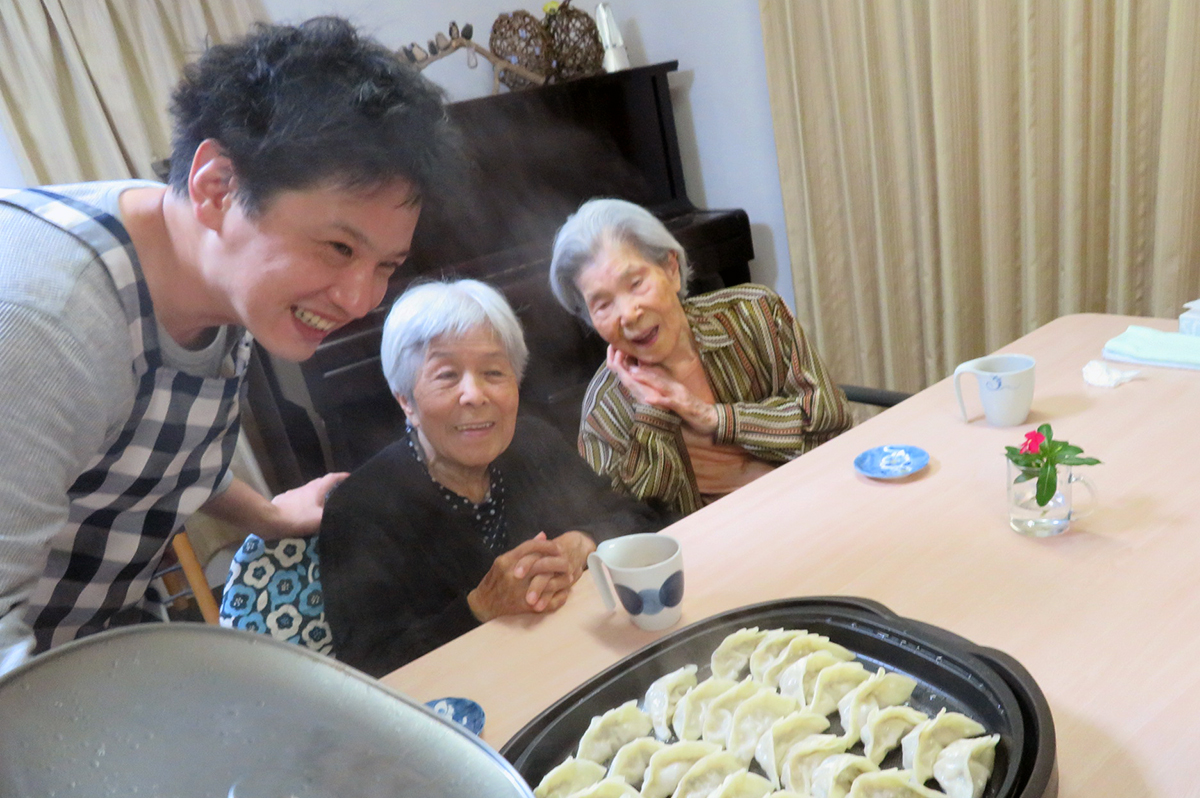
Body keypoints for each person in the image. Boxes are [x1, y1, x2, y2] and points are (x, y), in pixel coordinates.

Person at [0, 17, 458, 675]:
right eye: (338, 247)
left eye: (386, 264)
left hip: (99, 648)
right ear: (217, 187)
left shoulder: (213, 278)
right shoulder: (47, 327)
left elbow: (157, 443)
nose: (362, 299)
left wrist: (266, 514)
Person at [319, 280, 664, 677]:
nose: (475, 394)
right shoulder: (360, 509)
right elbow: (367, 668)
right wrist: (479, 609)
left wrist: (582, 544)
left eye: (494, 372)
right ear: (406, 401)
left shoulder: (534, 444)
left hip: (578, 665)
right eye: (447, 376)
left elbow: (640, 520)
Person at [549, 198, 853, 516]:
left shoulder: (755, 313)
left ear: (671, 269)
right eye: (602, 304)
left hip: (815, 499)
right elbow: (629, 527)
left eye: (636, 283)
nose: (628, 314)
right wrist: (653, 413)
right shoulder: (603, 412)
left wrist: (712, 417)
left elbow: (831, 418)